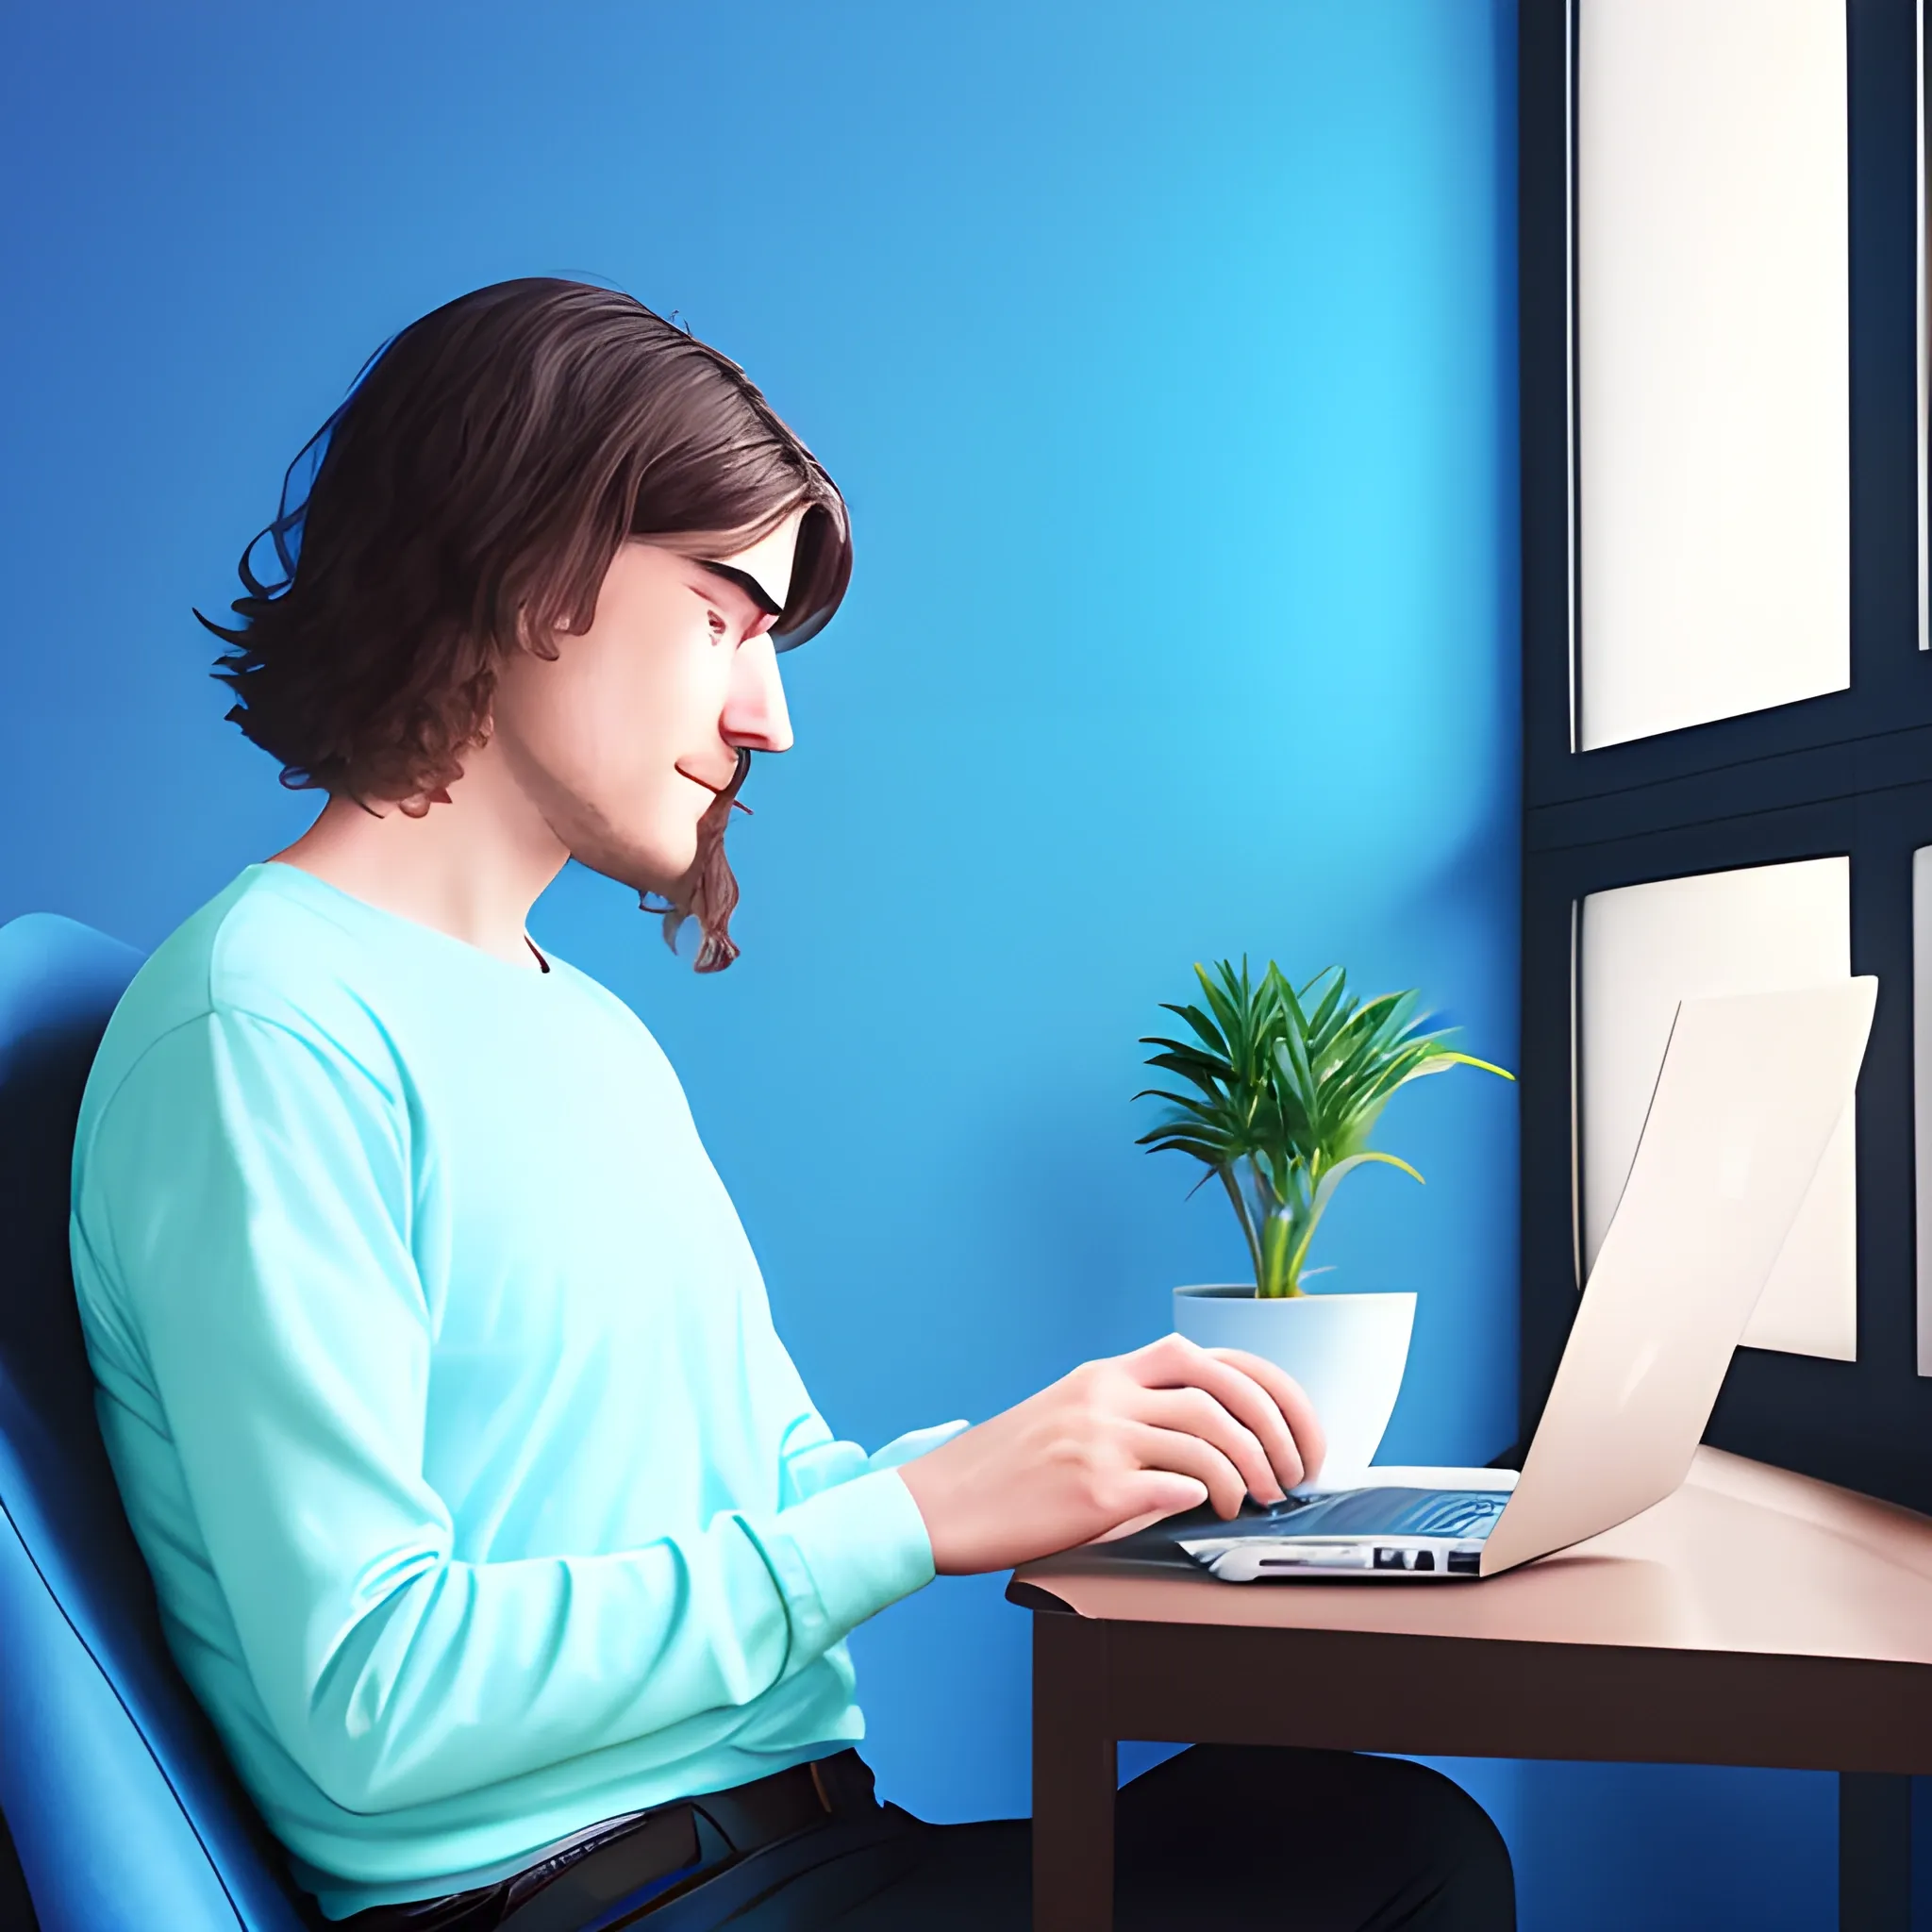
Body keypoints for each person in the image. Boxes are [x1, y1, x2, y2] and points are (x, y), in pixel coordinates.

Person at [68, 278, 1514, 1930]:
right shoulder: (264, 1024)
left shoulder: (589, 1032)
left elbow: (769, 1488)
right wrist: (919, 1515)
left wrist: (1074, 1457)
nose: (769, 715)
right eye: (723, 617)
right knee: (1398, 1881)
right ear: (529, 561)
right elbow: (374, 1696)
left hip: (791, 1849)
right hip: (583, 1898)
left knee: (1365, 1833)